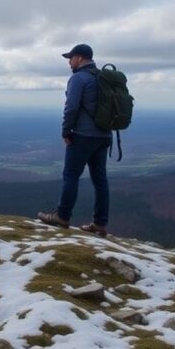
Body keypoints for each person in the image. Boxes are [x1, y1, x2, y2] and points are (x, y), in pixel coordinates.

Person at [37, 43, 113, 236]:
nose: (69, 62)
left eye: (71, 58)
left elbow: (71, 107)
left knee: (71, 175)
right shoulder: (103, 77)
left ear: (79, 58)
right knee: (100, 179)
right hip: (104, 135)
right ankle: (100, 223)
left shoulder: (79, 78)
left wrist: (65, 131)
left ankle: (62, 216)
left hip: (83, 135)